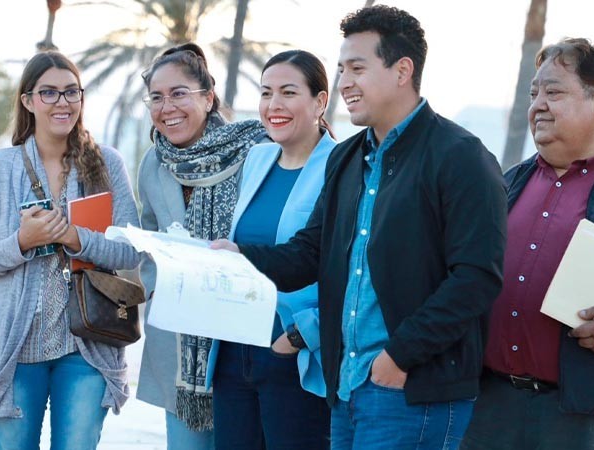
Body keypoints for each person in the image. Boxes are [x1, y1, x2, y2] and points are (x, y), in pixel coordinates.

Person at [212, 5, 507, 450]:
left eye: (357, 68)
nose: (344, 82)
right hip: (347, 387)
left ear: (402, 70)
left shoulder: (461, 157)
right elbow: (310, 254)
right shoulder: (346, 159)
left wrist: (398, 358)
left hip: (410, 390)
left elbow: (475, 279)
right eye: (341, 68)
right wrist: (241, 258)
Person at [461, 38, 594, 450]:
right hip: (491, 409)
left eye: (553, 92)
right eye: (533, 94)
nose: (537, 105)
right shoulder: (508, 181)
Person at [0, 50, 140, 450]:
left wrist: (76, 238)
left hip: (87, 345)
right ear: (27, 101)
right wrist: (22, 243)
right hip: (14, 349)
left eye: (71, 92)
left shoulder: (107, 164)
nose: (63, 103)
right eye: (49, 93)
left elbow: (130, 252)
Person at [136, 42, 267, 450]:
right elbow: (149, 238)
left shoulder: (254, 152)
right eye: (156, 97)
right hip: (180, 348)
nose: (166, 107)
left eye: (179, 93)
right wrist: (160, 287)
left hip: (243, 340)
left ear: (208, 98)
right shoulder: (153, 164)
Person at [206, 50, 334, 450]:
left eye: (288, 92)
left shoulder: (341, 165)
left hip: (293, 356)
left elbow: (345, 265)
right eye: (266, 92)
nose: (273, 105)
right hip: (232, 353)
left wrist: (300, 335)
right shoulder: (257, 159)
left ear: (320, 101)